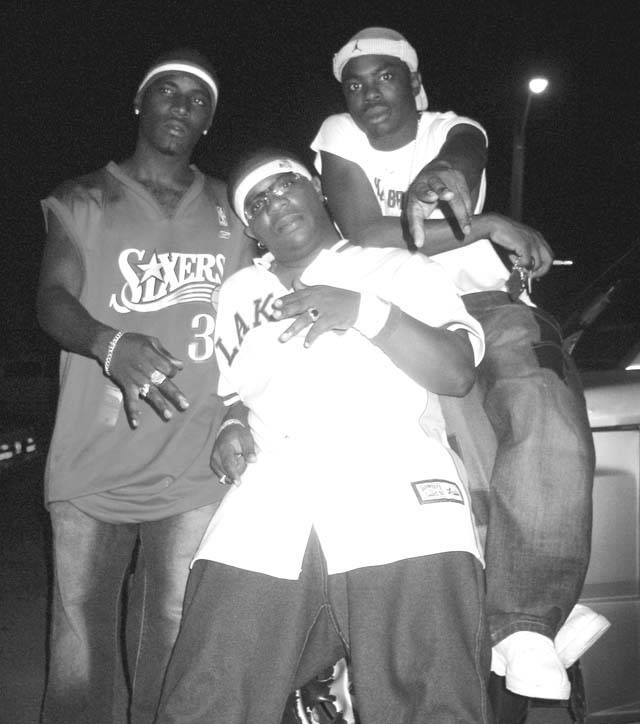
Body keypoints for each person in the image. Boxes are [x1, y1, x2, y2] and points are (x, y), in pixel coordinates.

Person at [311, 27, 599, 701]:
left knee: (542, 400)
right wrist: (489, 223)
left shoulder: (454, 128)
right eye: (355, 84)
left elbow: (460, 160)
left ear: (416, 85)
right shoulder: (338, 135)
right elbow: (366, 229)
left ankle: (527, 621)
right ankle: (492, 626)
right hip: (406, 313)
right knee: (451, 458)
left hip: (485, 302)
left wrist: (447, 182)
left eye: (386, 77)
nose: (368, 93)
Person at [154, 150, 492, 724]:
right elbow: (237, 389)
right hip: (271, 500)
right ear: (251, 229)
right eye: (256, 203)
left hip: (397, 493)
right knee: (206, 692)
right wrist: (232, 422)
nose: (273, 204)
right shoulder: (236, 293)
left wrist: (363, 312)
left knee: (428, 699)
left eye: (284, 185)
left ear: (317, 188)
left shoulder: (398, 269)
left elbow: (457, 372)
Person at [36, 49, 253, 724]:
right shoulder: (84, 197)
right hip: (92, 460)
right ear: (140, 101)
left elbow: (254, 322)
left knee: (177, 639)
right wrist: (109, 342)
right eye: (168, 91)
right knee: (80, 647)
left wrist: (242, 413)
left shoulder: (233, 208)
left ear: (209, 120)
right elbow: (52, 299)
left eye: (198, 98)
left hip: (194, 466)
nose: (182, 105)